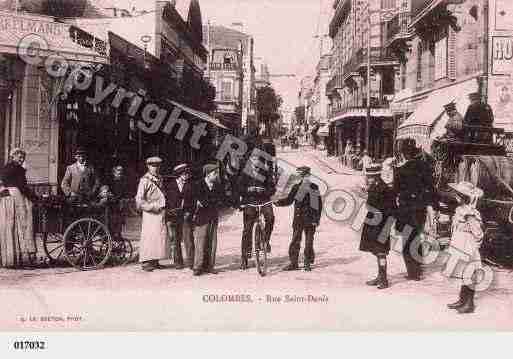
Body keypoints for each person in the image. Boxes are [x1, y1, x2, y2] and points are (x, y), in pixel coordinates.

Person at [394, 139, 437, 281]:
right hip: (420, 209)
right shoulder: (425, 167)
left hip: (406, 209)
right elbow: (431, 188)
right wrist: (432, 205)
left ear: (405, 154)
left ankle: (412, 272)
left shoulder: (401, 170)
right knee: (417, 237)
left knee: (407, 240)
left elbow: (396, 190)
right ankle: (418, 268)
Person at [446, 181, 484, 314]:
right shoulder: (460, 210)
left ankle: (469, 303)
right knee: (462, 271)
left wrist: (475, 246)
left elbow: (478, 232)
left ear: (464, 197)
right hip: (460, 243)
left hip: (468, 245)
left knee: (469, 272)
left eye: (459, 195)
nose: (456, 196)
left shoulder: (469, 212)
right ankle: (462, 299)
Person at [275, 166, 322, 271]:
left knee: (307, 241)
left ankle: (306, 263)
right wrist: (278, 202)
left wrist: (316, 219)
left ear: (308, 176)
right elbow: (289, 200)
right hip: (301, 218)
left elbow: (317, 205)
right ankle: (296, 263)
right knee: (297, 240)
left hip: (307, 218)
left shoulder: (311, 187)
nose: (304, 178)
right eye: (302, 176)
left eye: (305, 175)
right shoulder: (298, 187)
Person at [0, 148, 39, 268]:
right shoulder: (18, 169)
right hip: (16, 199)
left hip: (6, 201)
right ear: (13, 157)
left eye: (23, 157)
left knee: (9, 227)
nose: (22, 159)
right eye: (20, 157)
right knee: (23, 224)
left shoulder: (6, 167)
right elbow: (22, 186)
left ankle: (9, 257)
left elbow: (2, 183)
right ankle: (22, 258)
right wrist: (35, 198)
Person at [359, 165, 396, 289]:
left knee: (381, 253)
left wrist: (387, 226)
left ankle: (384, 279)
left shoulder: (385, 189)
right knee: (377, 251)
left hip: (382, 225)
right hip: (374, 224)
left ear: (375, 177)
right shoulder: (374, 187)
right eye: (367, 177)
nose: (367, 179)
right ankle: (380, 276)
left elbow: (392, 209)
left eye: (369, 177)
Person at [237, 152, 276, 270]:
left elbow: (272, 188)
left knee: (270, 218)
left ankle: (266, 240)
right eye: (253, 159)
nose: (256, 162)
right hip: (250, 201)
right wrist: (248, 189)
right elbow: (239, 188)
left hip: (264, 200)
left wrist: (264, 190)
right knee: (247, 229)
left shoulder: (265, 172)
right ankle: (244, 257)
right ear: (250, 160)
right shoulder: (244, 172)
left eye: (258, 159)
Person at [135, 157, 170, 272]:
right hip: (150, 213)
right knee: (149, 237)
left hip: (160, 211)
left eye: (157, 166)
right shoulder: (144, 180)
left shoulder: (160, 178)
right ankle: (146, 262)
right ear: (148, 166)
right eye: (153, 166)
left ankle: (155, 260)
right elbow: (139, 200)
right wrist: (152, 207)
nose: (155, 168)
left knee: (159, 237)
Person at [191, 163, 224, 276]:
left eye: (217, 173)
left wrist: (207, 202)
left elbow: (220, 200)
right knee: (200, 242)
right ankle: (197, 267)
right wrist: (209, 202)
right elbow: (199, 201)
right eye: (215, 173)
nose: (216, 175)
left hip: (213, 217)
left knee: (212, 242)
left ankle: (210, 266)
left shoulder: (218, 185)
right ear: (208, 174)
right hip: (201, 218)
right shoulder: (198, 185)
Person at [165, 164, 194, 270]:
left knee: (188, 239)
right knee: (175, 240)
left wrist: (189, 212)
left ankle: (191, 262)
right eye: (184, 173)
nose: (187, 175)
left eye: (187, 173)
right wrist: (168, 214)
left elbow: (193, 201)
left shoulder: (190, 185)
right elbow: (166, 201)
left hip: (186, 216)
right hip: (173, 216)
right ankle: (178, 262)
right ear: (179, 174)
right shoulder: (169, 185)